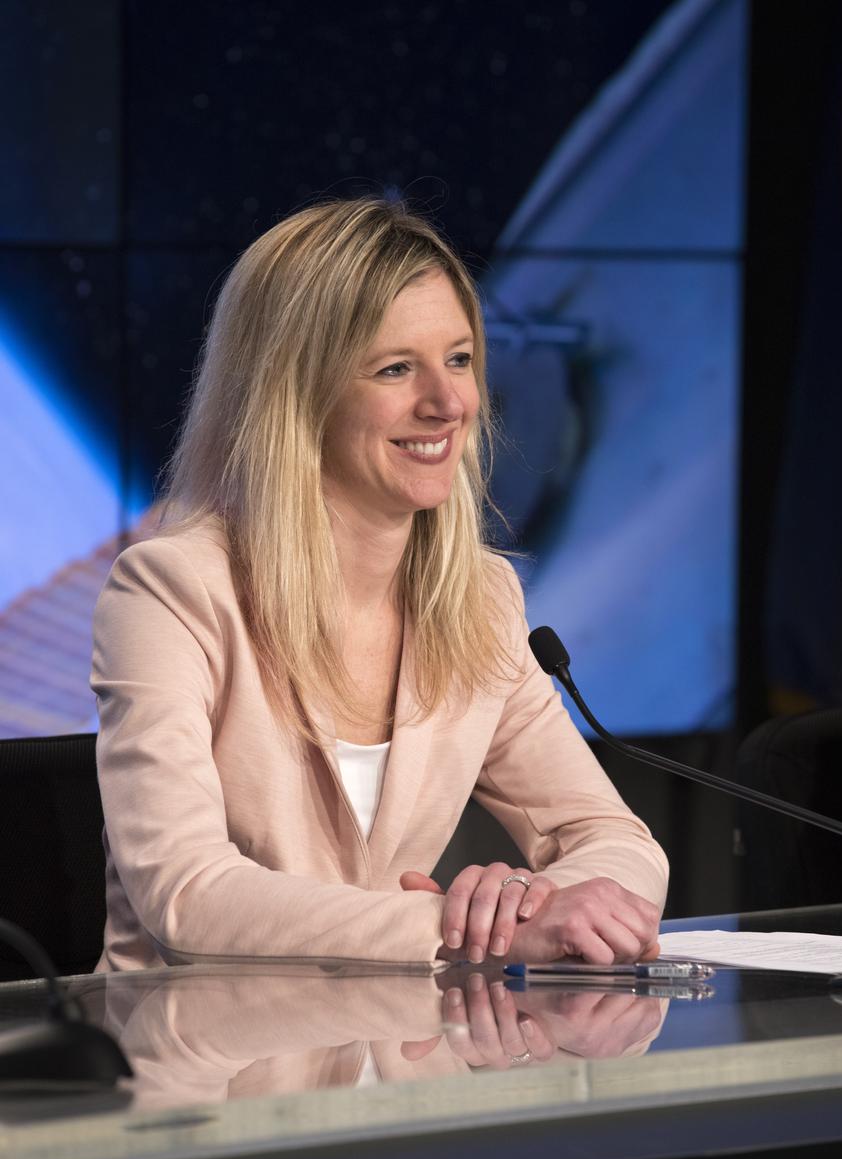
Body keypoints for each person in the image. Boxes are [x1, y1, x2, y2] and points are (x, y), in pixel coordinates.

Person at [91, 196, 668, 974]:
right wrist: (461, 928)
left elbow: (616, 843)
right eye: (396, 368)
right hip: (199, 1068)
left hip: (389, 1065)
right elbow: (188, 897)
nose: (449, 402)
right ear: (295, 393)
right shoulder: (172, 590)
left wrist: (528, 906)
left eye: (459, 359)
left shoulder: (480, 600)